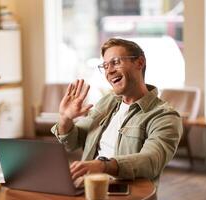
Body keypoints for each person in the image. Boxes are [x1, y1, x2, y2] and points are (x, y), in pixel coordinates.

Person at [51, 38, 183, 185]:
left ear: (139, 63)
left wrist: (103, 165)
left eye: (116, 62)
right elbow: (72, 143)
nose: (109, 71)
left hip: (126, 192)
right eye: (105, 66)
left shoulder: (164, 116)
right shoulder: (107, 102)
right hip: (88, 186)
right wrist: (65, 118)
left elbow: (151, 160)